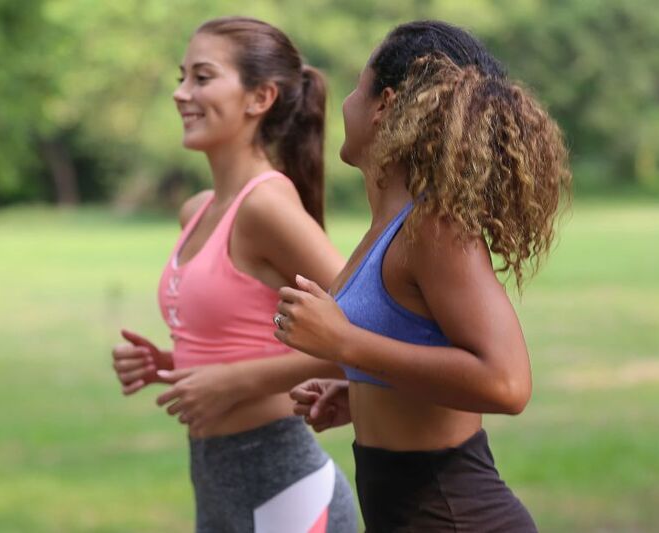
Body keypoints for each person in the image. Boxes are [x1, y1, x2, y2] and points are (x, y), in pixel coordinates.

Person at [278, 20, 571, 532]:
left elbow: (506, 383)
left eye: (356, 87)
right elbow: (419, 344)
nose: (343, 103)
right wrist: (367, 391)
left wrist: (347, 344)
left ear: (385, 105)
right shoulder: (389, 227)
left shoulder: (432, 227)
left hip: (458, 517)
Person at [110, 16, 357, 533]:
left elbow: (369, 334)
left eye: (202, 77)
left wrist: (236, 381)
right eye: (182, 77)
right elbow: (242, 333)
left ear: (260, 97)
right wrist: (174, 363)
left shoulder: (265, 206)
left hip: (286, 493)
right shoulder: (197, 210)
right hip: (218, 484)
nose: (181, 94)